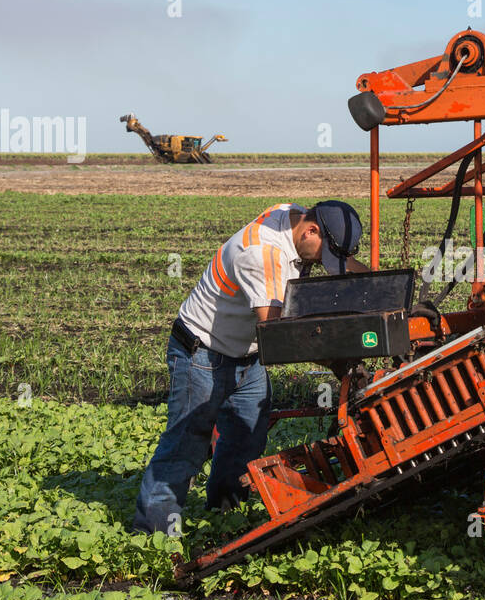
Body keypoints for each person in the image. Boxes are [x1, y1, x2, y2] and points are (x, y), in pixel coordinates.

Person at [132, 200, 368, 535]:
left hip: (245, 354)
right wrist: (336, 361)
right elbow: (278, 336)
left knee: (246, 437)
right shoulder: (262, 255)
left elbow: (342, 270)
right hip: (202, 353)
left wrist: (385, 289)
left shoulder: (293, 216)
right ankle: (151, 535)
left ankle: (224, 514)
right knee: (187, 443)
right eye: (323, 254)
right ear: (310, 230)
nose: (321, 263)